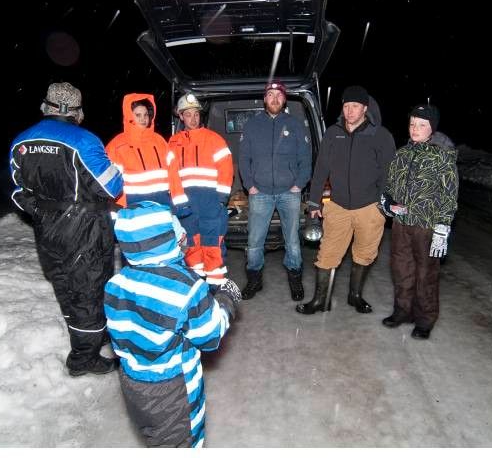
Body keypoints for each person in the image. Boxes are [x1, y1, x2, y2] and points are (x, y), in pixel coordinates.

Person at [104, 201, 241, 447]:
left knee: (157, 439)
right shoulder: (186, 288)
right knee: (183, 443)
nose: (183, 234)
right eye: (175, 229)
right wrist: (226, 299)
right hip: (173, 390)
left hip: (133, 384)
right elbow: (210, 335)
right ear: (164, 239)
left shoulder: (116, 283)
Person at [9, 82, 123, 376]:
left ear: (46, 106)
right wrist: (117, 169)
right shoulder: (83, 140)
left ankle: (90, 334)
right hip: (84, 228)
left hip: (46, 230)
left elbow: (18, 192)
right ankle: (84, 358)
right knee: (88, 290)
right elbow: (111, 186)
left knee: (65, 287)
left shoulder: (21, 141)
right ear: (76, 111)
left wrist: (42, 210)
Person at [297, 85, 396, 315]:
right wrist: (314, 202)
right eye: (346, 105)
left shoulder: (380, 135)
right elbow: (321, 168)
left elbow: (389, 173)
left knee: (364, 253)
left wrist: (382, 205)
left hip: (369, 207)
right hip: (338, 206)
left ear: (365, 108)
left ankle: (355, 295)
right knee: (327, 254)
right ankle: (320, 300)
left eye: (355, 106)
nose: (350, 111)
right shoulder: (333, 133)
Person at [380, 103, 459, 339]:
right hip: (401, 223)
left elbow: (449, 194)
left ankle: (425, 319)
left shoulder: (442, 157)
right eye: (412, 124)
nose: (415, 128)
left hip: (427, 225)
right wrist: (387, 203)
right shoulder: (402, 154)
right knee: (401, 269)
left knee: (426, 274)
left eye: (421, 125)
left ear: (431, 129)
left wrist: (443, 226)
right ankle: (403, 311)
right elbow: (390, 185)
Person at [238, 81, 312, 301]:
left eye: (279, 95)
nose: (275, 98)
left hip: (289, 192)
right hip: (259, 192)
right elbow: (243, 158)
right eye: (270, 94)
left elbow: (305, 158)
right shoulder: (252, 125)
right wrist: (249, 185)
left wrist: (299, 183)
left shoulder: (295, 124)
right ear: (264, 99)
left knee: (293, 241)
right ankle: (254, 279)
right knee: (254, 241)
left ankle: (295, 277)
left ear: (284, 99)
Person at [167, 93, 234, 289]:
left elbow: (226, 170)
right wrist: (177, 204)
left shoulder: (214, 139)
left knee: (213, 247)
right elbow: (170, 176)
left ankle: (216, 291)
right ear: (181, 116)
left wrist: (220, 200)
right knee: (191, 249)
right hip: (186, 207)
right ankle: (197, 290)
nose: (193, 119)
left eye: (196, 114)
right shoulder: (173, 143)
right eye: (188, 114)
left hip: (211, 204)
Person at [105, 93, 190, 214]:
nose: (143, 119)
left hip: (162, 204)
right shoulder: (117, 145)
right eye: (138, 115)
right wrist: (117, 212)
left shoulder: (159, 141)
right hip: (133, 208)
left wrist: (180, 204)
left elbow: (173, 173)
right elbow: (112, 183)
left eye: (146, 115)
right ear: (129, 116)